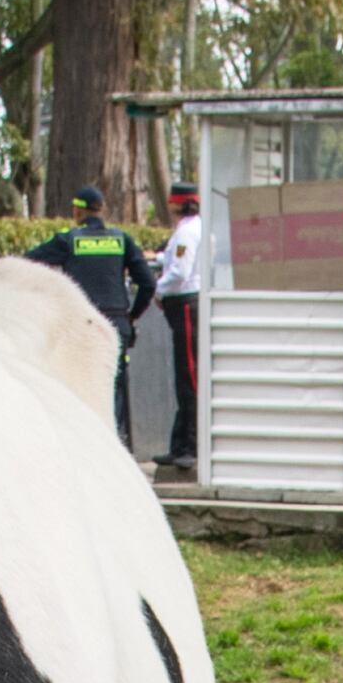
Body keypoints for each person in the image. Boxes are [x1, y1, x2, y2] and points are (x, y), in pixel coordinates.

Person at [24, 181, 155, 448]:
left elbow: (28, 261)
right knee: (114, 386)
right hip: (116, 321)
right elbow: (148, 283)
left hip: (81, 323)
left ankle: (84, 447)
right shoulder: (122, 240)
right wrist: (131, 315)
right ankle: (114, 445)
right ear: (101, 210)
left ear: (78, 212)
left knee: (78, 384)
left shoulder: (69, 240)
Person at [153, 182, 206, 469]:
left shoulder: (186, 231)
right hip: (187, 304)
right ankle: (180, 442)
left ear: (177, 204)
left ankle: (192, 444)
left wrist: (158, 289)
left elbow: (180, 272)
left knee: (189, 376)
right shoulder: (192, 229)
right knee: (185, 376)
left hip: (185, 304)